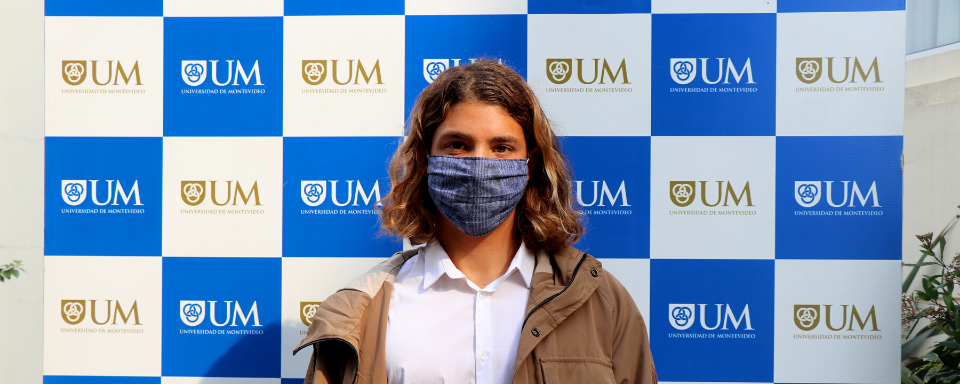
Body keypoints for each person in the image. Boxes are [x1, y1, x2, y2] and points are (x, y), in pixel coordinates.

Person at [294, 60, 656, 384]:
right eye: (458, 145)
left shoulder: (600, 301)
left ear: (529, 165)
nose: (480, 164)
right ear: (426, 159)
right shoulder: (361, 311)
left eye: (501, 147)